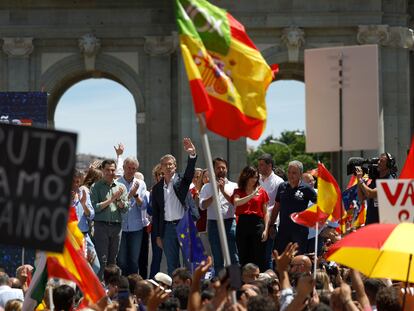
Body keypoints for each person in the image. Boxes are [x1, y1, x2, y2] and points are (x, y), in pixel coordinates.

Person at [152, 138, 198, 275]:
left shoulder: (182, 181)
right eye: (165, 165)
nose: (168, 167)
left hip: (184, 224)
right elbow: (156, 213)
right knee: (172, 266)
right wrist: (158, 236)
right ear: (161, 167)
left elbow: (190, 172)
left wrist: (192, 155)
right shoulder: (157, 188)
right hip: (167, 229)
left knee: (190, 262)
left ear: (175, 166)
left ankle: (193, 292)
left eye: (171, 164)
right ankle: (176, 293)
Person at [90, 159, 130, 279]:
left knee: (113, 260)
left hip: (116, 227)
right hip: (101, 226)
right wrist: (112, 199)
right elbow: (95, 208)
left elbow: (125, 208)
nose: (110, 172)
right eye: (107, 170)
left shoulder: (121, 187)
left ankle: (112, 287)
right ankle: (100, 288)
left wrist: (119, 201)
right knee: (102, 259)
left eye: (112, 170)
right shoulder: (96, 187)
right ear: (102, 170)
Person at [199, 157, 238, 274]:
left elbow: (236, 203)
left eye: (223, 167)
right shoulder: (206, 187)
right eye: (218, 168)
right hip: (213, 224)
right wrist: (215, 191)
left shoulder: (234, 186)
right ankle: (220, 285)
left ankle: (236, 282)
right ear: (213, 170)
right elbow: (202, 206)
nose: (221, 170)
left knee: (233, 255)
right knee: (217, 256)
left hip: (230, 222)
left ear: (227, 169)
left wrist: (223, 189)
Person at [268, 160, 317, 255]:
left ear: (300, 174)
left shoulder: (306, 188)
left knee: (297, 260)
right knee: (281, 259)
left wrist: (310, 217)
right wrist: (271, 225)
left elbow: (319, 205)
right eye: (289, 172)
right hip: (283, 230)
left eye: (294, 173)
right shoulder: (282, 187)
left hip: (300, 231)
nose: (291, 175)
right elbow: (276, 207)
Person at [232, 166, 269, 271]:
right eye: (252, 177)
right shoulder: (238, 191)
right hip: (243, 223)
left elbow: (266, 213)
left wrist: (266, 229)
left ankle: (259, 281)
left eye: (256, 177)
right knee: (243, 255)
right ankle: (244, 281)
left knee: (259, 255)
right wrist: (252, 195)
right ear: (246, 177)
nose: (254, 180)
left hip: (257, 223)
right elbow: (236, 202)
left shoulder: (262, 192)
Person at [117, 157, 148, 276]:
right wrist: (129, 195)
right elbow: (117, 206)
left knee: (134, 261)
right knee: (121, 261)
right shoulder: (117, 183)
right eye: (128, 168)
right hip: (121, 227)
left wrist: (135, 195)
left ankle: (134, 288)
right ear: (124, 167)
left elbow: (143, 206)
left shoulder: (141, 184)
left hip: (136, 228)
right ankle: (123, 287)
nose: (130, 170)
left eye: (133, 168)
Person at [257, 153, 284, 270]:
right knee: (257, 254)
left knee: (267, 255)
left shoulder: (279, 182)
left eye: (262, 165)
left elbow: (278, 205)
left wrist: (272, 225)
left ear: (270, 166)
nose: (259, 167)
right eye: (259, 165)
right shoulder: (256, 179)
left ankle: (268, 281)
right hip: (257, 221)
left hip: (271, 222)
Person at [71, 170, 100, 274]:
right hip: (70, 238)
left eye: (77, 182)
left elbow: (91, 215)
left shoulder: (84, 194)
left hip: (84, 236)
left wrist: (83, 204)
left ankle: (82, 289)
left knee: (95, 266)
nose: (75, 184)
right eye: (72, 181)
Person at [356, 152, 396, 224]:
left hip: (382, 225)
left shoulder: (389, 181)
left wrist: (360, 180)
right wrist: (358, 180)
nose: (378, 162)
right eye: (379, 160)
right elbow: (361, 198)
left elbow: (370, 193)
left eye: (382, 161)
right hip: (370, 223)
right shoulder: (375, 180)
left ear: (389, 164)